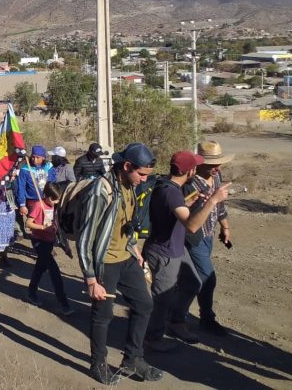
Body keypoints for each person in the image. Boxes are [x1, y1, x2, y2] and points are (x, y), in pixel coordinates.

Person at [76, 143, 161, 385]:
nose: (144, 179)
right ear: (126, 166)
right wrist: (91, 278)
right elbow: (85, 238)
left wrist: (134, 248)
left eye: (147, 175)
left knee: (144, 305)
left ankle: (133, 360)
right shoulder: (100, 191)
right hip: (105, 263)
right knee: (103, 315)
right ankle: (98, 364)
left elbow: (127, 221)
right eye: (141, 174)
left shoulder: (129, 185)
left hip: (126, 258)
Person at [143, 150, 231, 348]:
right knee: (163, 297)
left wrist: (190, 203)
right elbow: (191, 225)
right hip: (164, 251)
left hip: (176, 248)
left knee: (192, 283)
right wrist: (212, 201)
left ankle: (176, 323)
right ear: (190, 171)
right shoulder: (171, 191)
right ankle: (152, 338)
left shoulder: (169, 186)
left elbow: (174, 212)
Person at [184, 141, 234, 336]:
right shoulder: (190, 183)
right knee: (207, 277)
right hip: (193, 237)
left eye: (219, 163)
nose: (218, 168)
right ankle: (206, 318)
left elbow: (220, 206)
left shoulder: (216, 176)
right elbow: (186, 215)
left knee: (190, 278)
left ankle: (175, 315)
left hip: (208, 234)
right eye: (213, 164)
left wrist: (225, 226)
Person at [25, 182, 73, 315]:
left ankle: (31, 292)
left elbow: (57, 228)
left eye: (57, 199)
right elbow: (28, 223)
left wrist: (65, 247)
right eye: (53, 199)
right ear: (46, 195)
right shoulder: (38, 205)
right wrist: (42, 227)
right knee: (54, 272)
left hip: (50, 241)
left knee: (40, 268)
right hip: (39, 242)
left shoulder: (56, 207)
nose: (55, 202)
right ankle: (64, 304)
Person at [16, 145, 54, 220]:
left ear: (43, 157)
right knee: (34, 224)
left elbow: (52, 183)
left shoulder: (49, 167)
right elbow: (21, 187)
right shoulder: (25, 169)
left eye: (38, 157)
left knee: (48, 223)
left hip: (47, 201)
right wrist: (22, 205)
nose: (34, 160)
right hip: (32, 202)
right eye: (33, 157)